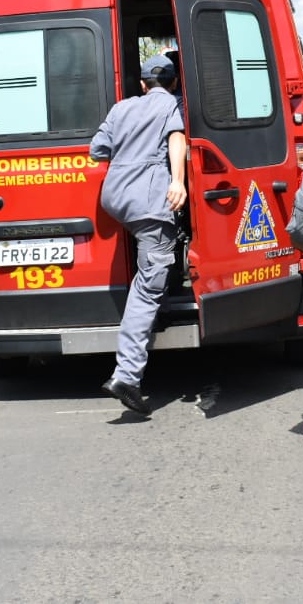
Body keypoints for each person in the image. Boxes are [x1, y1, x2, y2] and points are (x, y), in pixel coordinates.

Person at [90, 54, 187, 416]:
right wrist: (177, 179)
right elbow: (176, 137)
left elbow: (97, 149)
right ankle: (126, 376)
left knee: (152, 268)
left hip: (117, 199)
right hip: (150, 203)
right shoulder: (172, 105)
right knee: (147, 285)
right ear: (175, 83)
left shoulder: (122, 108)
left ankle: (157, 313)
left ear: (143, 84)